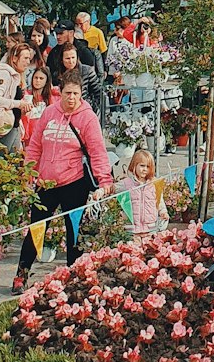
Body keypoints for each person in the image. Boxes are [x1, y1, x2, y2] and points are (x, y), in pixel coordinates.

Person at [12, 70, 112, 293]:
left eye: (76, 93)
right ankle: (21, 275)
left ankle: (73, 276)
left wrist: (105, 180)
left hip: (74, 182)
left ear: (81, 93)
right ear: (60, 92)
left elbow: (97, 151)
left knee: (73, 232)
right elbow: (35, 145)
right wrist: (30, 173)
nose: (72, 98)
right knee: (35, 230)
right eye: (68, 93)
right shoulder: (49, 113)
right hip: (46, 183)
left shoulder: (87, 117)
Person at [0, 43, 34, 150]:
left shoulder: (16, 76)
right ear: (14, 58)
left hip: (12, 125)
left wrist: (22, 109)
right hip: (2, 126)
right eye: (25, 58)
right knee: (4, 161)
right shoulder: (4, 74)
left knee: (15, 162)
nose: (28, 62)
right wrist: (19, 104)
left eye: (29, 58)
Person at [116, 149, 169, 242]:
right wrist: (101, 191)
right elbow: (111, 189)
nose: (145, 169)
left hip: (150, 228)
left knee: (150, 250)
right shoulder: (126, 183)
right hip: (132, 229)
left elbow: (159, 201)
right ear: (134, 165)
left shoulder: (154, 183)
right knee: (133, 253)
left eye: (148, 167)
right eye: (142, 165)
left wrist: (163, 212)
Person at [54, 42, 102, 110]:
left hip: (84, 110)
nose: (71, 61)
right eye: (67, 58)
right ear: (62, 60)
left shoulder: (87, 71)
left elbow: (99, 93)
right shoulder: (56, 75)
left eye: (73, 57)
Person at [21, 67, 53, 145]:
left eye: (41, 78)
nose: (38, 81)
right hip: (28, 137)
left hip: (45, 137)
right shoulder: (26, 95)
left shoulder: (51, 98)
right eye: (36, 78)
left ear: (46, 81)